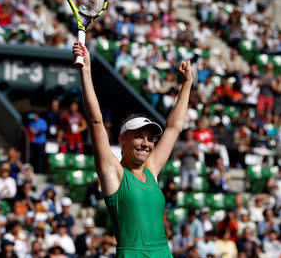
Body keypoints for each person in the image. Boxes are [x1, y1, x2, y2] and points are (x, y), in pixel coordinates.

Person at [72, 42, 192, 258]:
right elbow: (96, 121)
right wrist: (86, 72)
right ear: (122, 139)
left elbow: (174, 127)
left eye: (150, 138)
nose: (146, 143)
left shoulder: (151, 170)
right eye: (138, 136)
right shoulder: (114, 173)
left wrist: (187, 84)